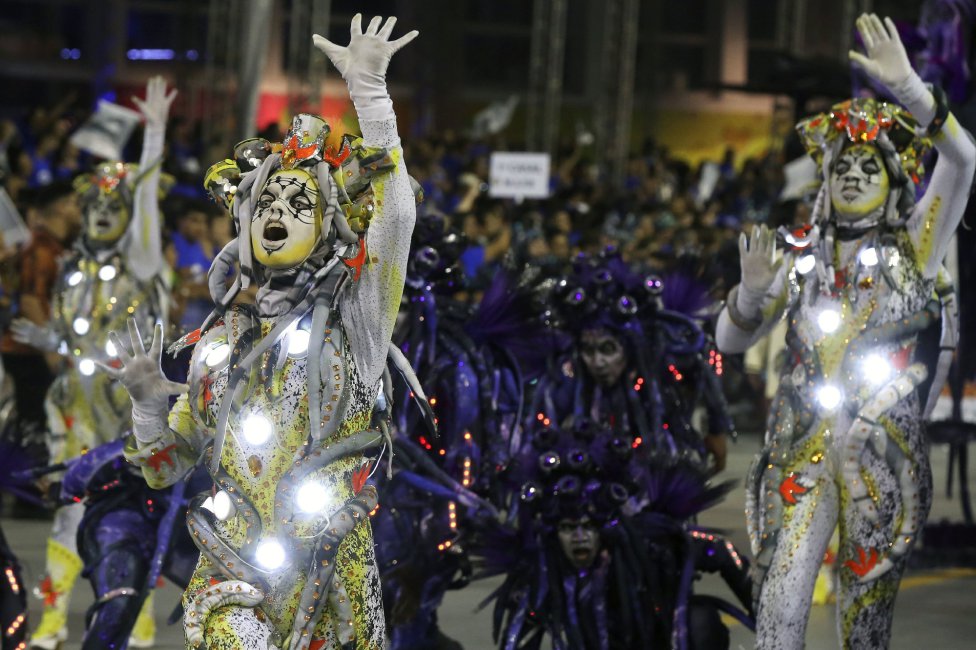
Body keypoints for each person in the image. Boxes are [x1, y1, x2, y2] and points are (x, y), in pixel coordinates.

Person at [108, 15, 419, 648]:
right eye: (267, 204)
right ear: (247, 222)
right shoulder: (218, 342)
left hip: (332, 567)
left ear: (327, 226)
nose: (277, 213)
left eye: (299, 205)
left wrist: (371, 97)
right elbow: (167, 468)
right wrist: (146, 406)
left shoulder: (356, 322)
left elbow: (396, 223)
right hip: (233, 562)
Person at [715, 14, 976, 648]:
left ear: (893, 184)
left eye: (869, 166)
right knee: (779, 600)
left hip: (880, 457)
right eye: (842, 166)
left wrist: (912, 91)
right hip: (800, 447)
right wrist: (750, 293)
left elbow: (964, 159)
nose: (853, 174)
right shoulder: (798, 255)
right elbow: (728, 343)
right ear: (824, 184)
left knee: (865, 620)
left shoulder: (915, 245)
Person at [12, 76, 176, 650]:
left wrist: (154, 137)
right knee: (66, 520)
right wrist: (48, 338)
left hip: (129, 418)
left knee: (135, 521)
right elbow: (78, 340)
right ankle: (53, 624)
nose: (105, 213)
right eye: (96, 206)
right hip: (77, 412)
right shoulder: (74, 269)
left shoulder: (144, 261)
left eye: (116, 205)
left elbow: (149, 203)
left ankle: (138, 625)